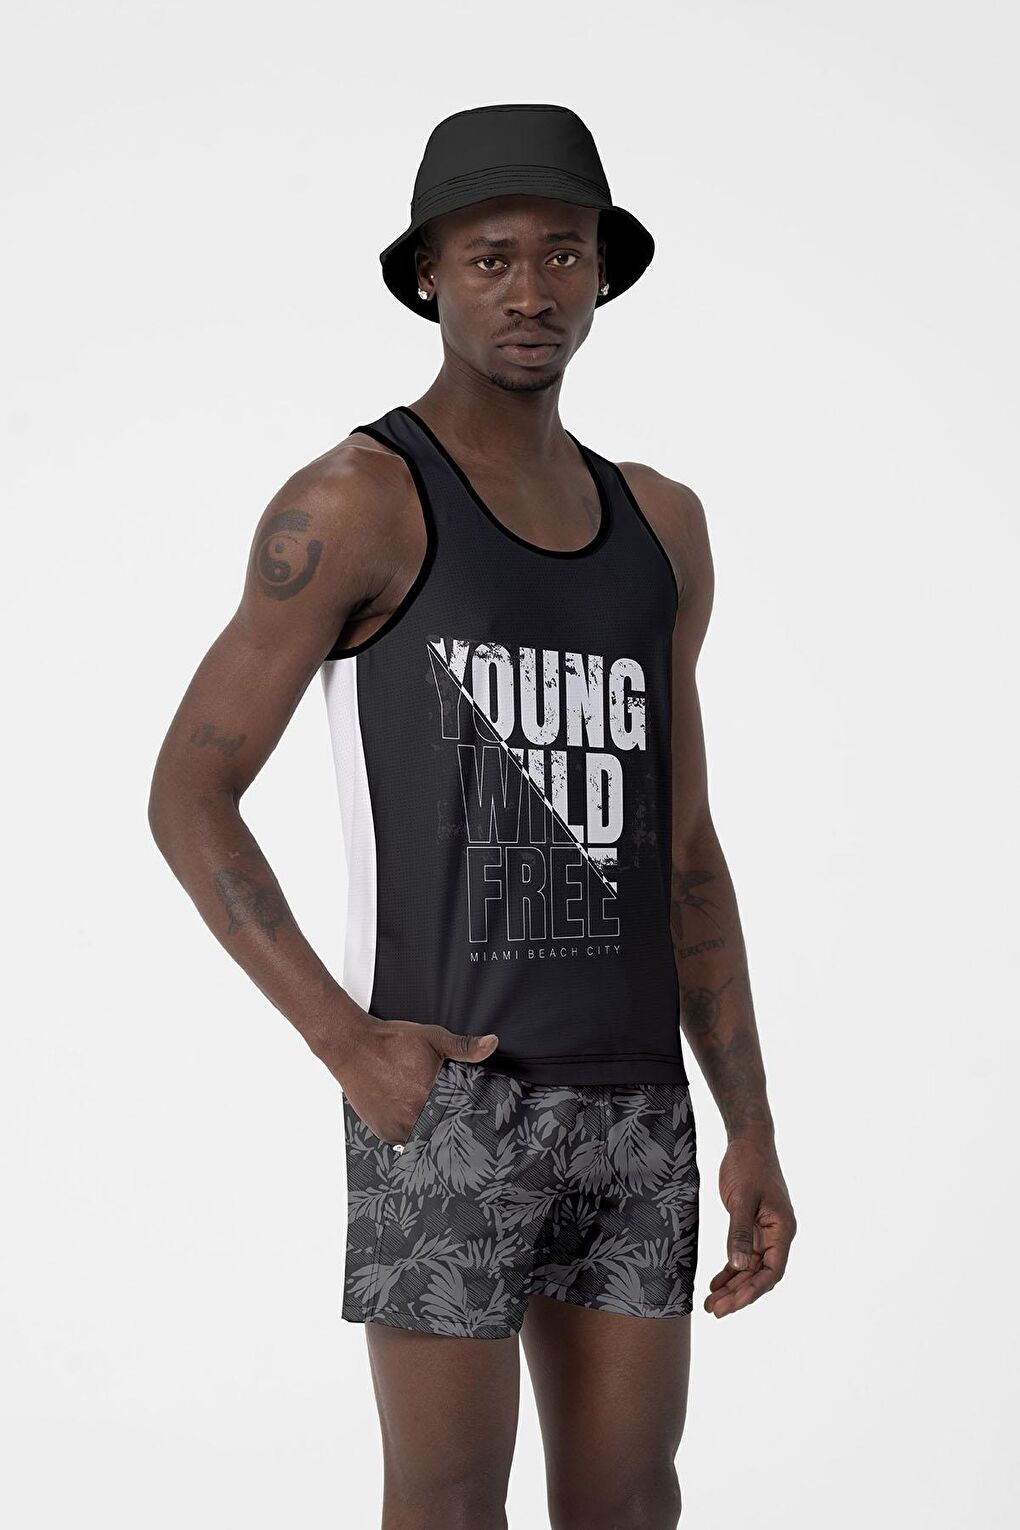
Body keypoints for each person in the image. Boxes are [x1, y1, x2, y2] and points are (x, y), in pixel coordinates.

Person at [148, 102, 796, 1530]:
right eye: (491, 257)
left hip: (638, 1101)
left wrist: (747, 1121)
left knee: (631, 1500)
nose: (530, 289)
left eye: (561, 253)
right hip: (449, 1100)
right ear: (428, 277)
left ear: (602, 272)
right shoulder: (359, 502)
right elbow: (189, 793)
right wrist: (345, 1041)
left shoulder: (663, 525)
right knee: (445, 1504)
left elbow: (685, 852)